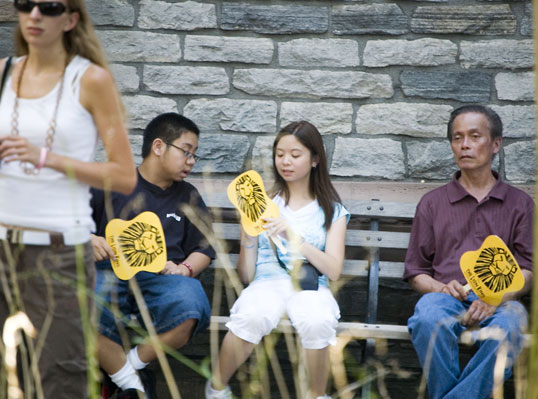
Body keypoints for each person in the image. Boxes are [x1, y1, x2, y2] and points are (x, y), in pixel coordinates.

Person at [0, 0, 137, 397]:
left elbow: (124, 175)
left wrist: (47, 158)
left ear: (71, 19)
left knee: (60, 377)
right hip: (3, 246)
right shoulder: (4, 73)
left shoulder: (90, 80)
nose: (35, 15)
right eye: (26, 4)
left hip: (59, 253)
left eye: (50, 6)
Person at [205, 121, 349, 399]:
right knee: (251, 314)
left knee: (318, 319)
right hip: (267, 282)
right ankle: (217, 389)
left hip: (309, 287)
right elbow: (246, 276)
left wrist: (295, 237)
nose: (286, 161)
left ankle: (317, 395)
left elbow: (333, 270)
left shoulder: (333, 211)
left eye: (295, 155)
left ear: (315, 159)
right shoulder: (260, 203)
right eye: (280, 154)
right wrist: (247, 236)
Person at [403, 105, 534, 399]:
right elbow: (415, 272)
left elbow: (529, 269)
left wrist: (497, 297)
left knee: (511, 325)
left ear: (496, 143)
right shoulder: (433, 203)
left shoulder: (519, 204)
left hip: (501, 300)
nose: (465, 145)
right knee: (426, 318)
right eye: (457, 138)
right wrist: (440, 287)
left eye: (475, 136)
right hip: (445, 298)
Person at [90, 112, 215, 399]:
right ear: (159, 147)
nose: (191, 161)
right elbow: (68, 221)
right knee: (80, 303)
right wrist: (89, 239)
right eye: (186, 151)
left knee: (192, 305)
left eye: (194, 155)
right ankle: (135, 387)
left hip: (163, 277)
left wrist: (185, 269)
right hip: (107, 270)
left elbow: (205, 248)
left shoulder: (188, 196)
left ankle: (126, 371)